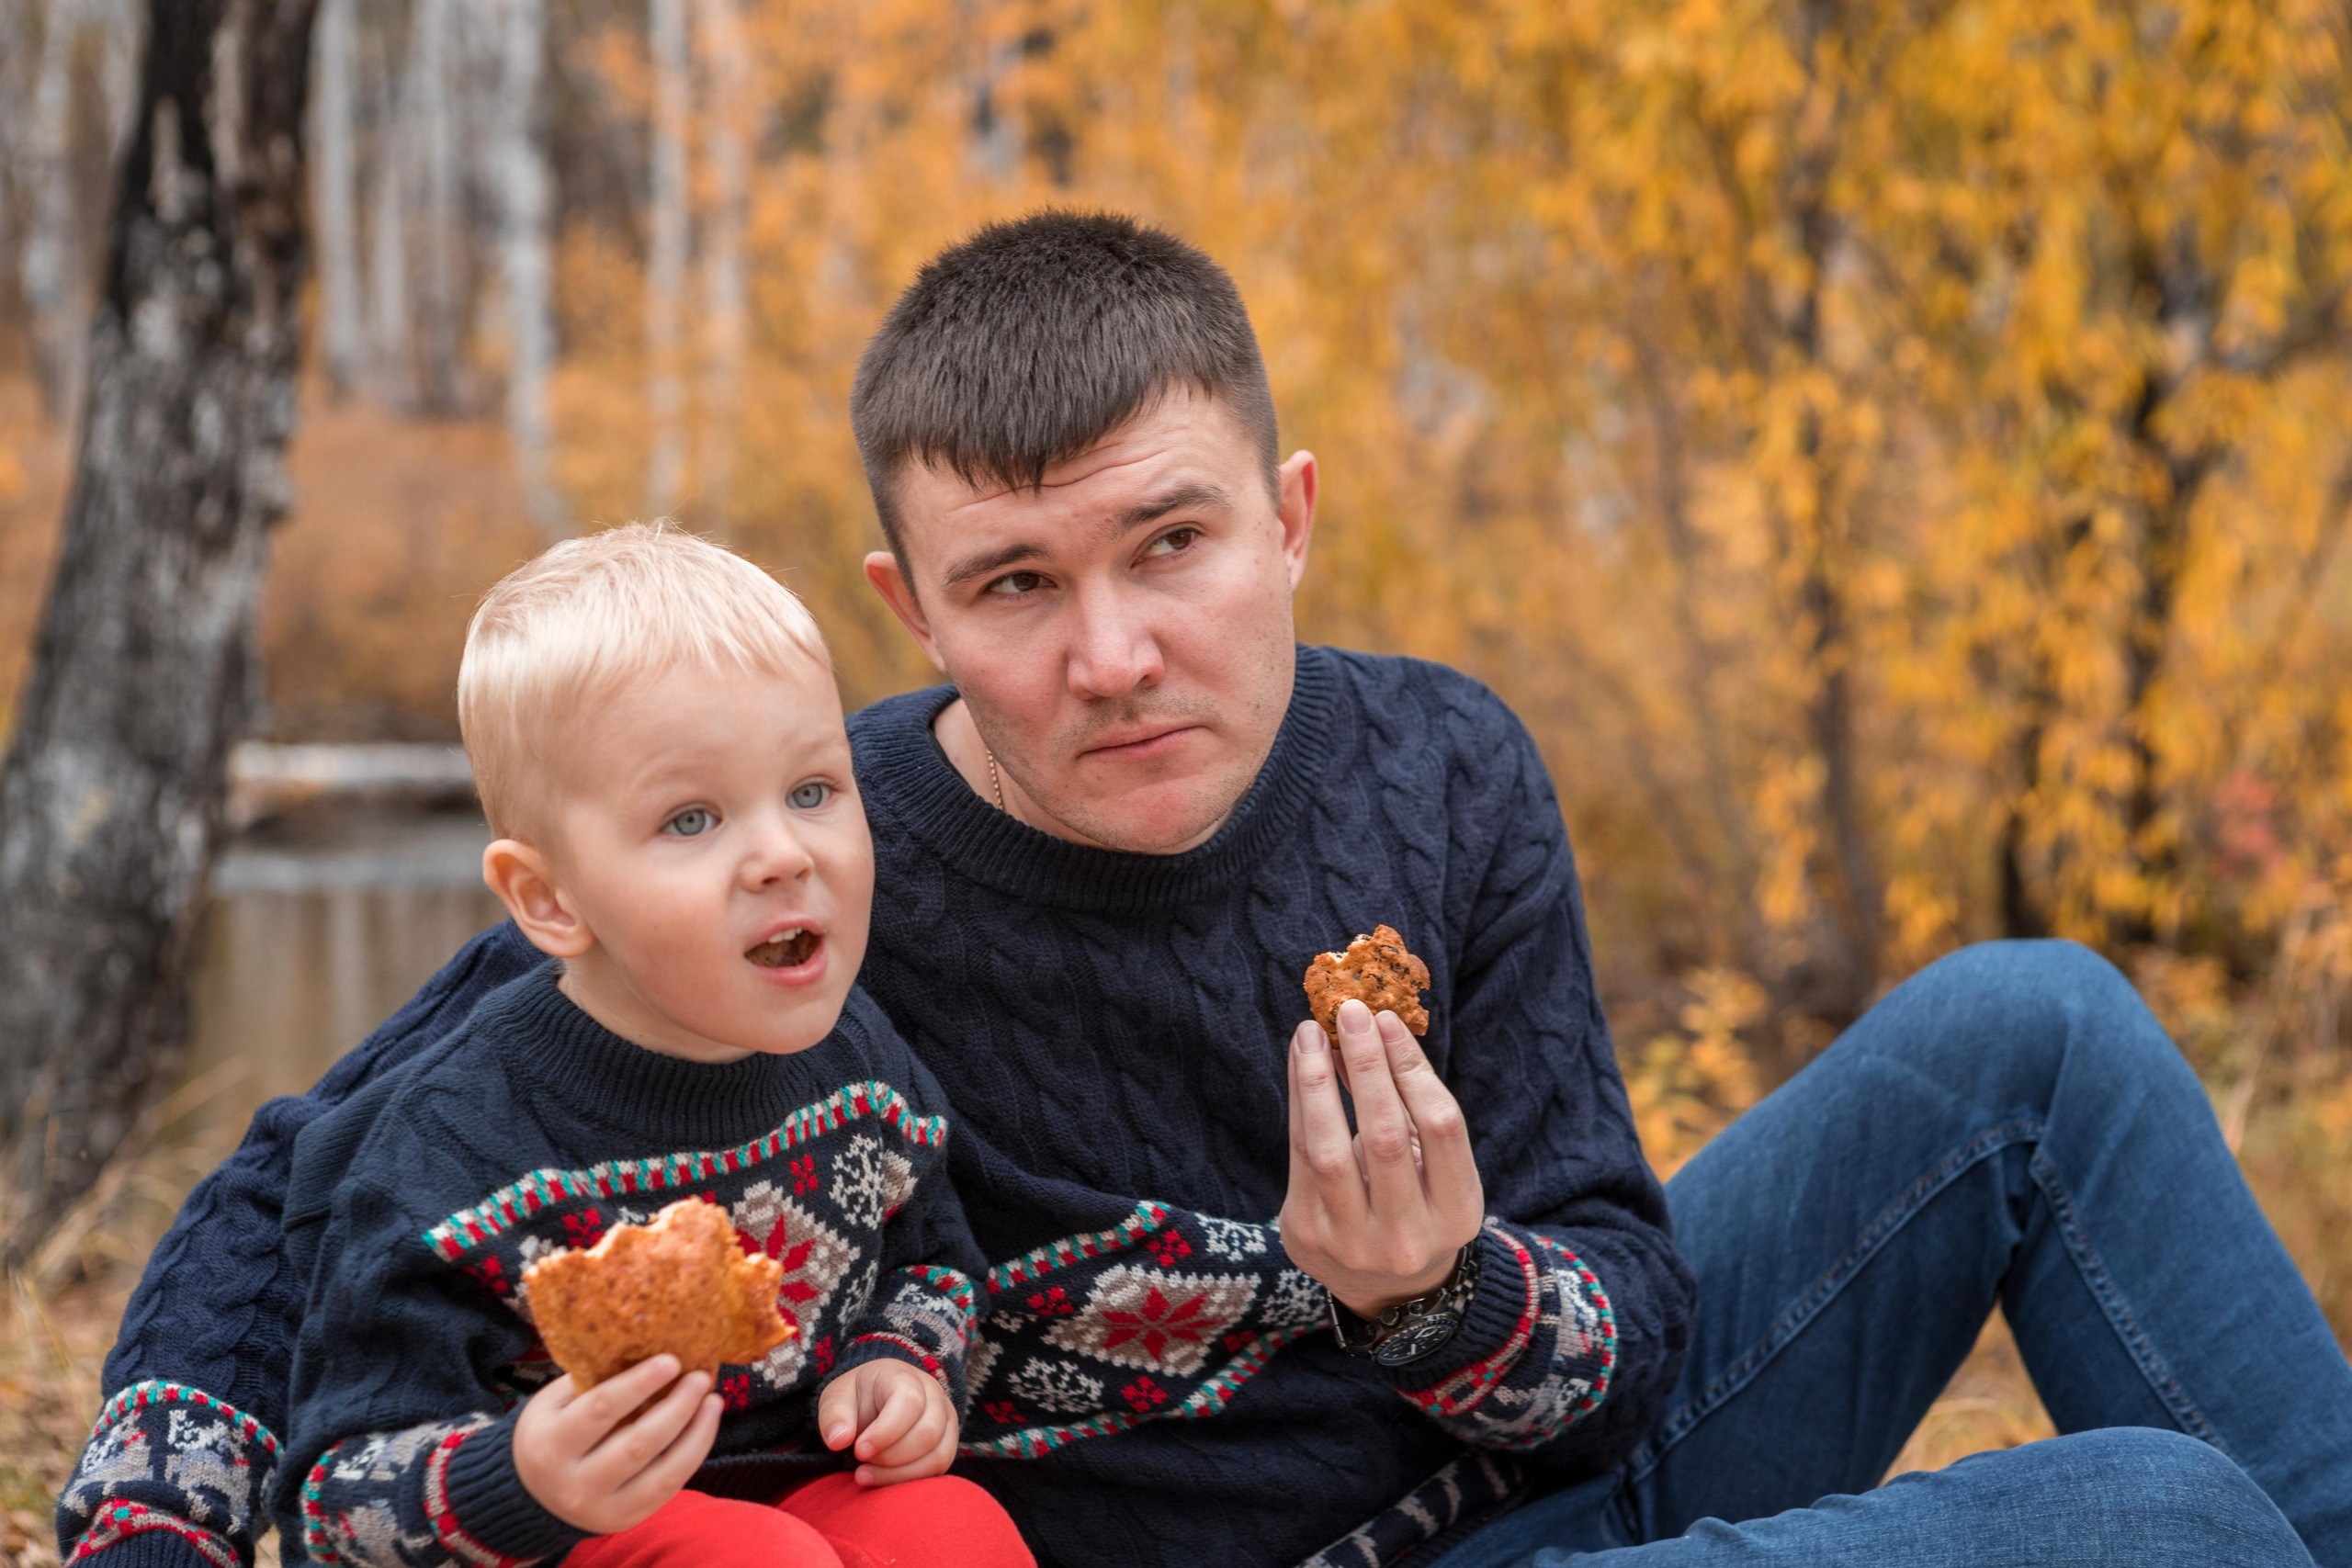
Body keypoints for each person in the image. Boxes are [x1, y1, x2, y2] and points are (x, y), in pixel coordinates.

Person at [56, 213, 2352, 1568]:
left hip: (1499, 1464)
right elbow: (300, 1172)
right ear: (912, 603)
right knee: (2150, 1515)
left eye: (1171, 542)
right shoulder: (801, 864)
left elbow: (1625, 1316)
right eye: (1015, 584)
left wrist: (1444, 1290)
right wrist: (157, 1529)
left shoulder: (1437, 768)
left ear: (1287, 514)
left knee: (2036, 1026)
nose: (1112, 649)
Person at [266, 526, 1031, 1568]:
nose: (780, 853)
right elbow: (331, 1503)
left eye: (812, 791)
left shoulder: (862, 1064)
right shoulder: (451, 1150)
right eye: (691, 819)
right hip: (559, 1538)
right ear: (548, 898)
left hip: (806, 1486)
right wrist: (519, 1478)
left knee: (948, 1528)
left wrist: (903, 1362)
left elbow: (937, 1266)